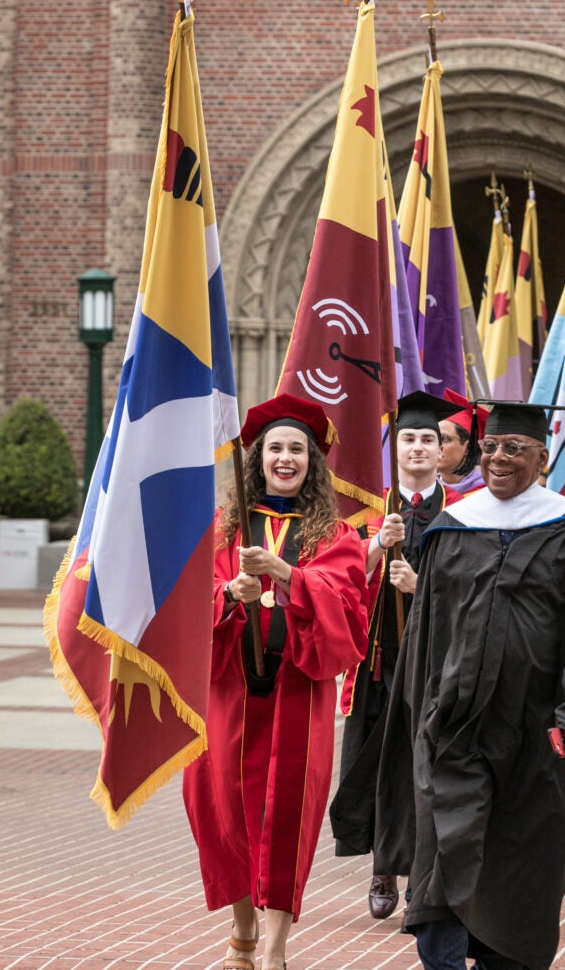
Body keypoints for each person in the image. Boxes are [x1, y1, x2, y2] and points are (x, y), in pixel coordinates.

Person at [373, 400, 565, 970]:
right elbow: (429, 627)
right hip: (453, 724)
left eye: (514, 448)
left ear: (542, 455)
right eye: (489, 448)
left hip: (537, 731)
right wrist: (417, 708)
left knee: (523, 860)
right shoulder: (453, 527)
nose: (499, 458)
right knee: (443, 856)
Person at [183, 393, 370, 970]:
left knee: (287, 814)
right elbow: (183, 605)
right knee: (221, 807)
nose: (285, 458)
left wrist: (287, 574)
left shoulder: (334, 534)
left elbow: (351, 609)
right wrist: (225, 596)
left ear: (312, 463)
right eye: (275, 449)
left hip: (295, 693)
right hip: (228, 690)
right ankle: (242, 927)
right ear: (259, 458)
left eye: (297, 450)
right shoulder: (222, 530)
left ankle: (274, 947)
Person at [329, 390, 464, 921]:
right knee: (380, 765)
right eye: (408, 438)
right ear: (395, 447)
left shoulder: (462, 513)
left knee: (429, 767)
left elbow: (474, 589)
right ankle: (385, 865)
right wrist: (376, 548)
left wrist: (420, 586)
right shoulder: (369, 509)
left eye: (428, 439)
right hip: (379, 667)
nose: (417, 448)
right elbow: (338, 579)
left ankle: (425, 876)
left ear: (442, 450)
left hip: (436, 665)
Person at [437, 387, 487, 496]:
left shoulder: (487, 490)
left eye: (444, 439)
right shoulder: (425, 490)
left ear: (469, 447)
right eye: (432, 439)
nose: (435, 446)